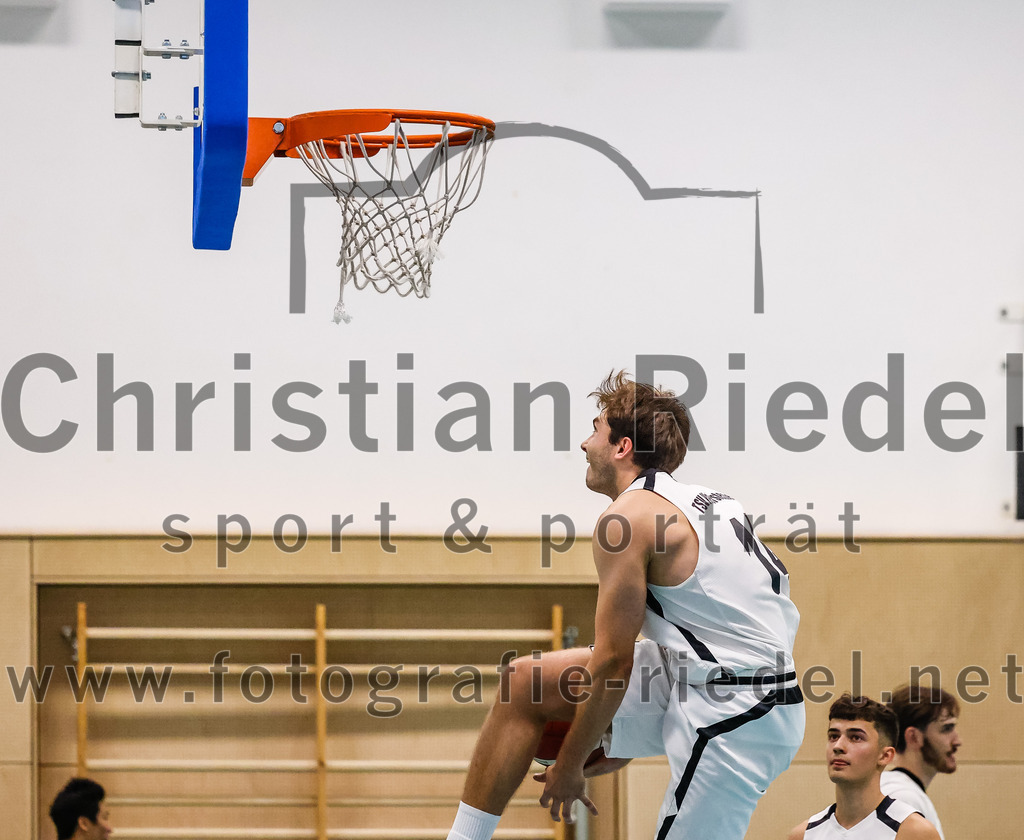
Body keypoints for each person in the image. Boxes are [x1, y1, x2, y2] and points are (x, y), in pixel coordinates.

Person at [446, 371, 804, 840]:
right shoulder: (713, 500)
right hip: (703, 674)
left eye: (595, 430)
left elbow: (615, 659)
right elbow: (705, 626)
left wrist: (572, 763)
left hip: (742, 707)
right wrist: (621, 730)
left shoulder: (626, 520)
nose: (583, 444)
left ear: (622, 447)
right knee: (525, 684)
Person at [787, 694, 940, 840]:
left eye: (855, 737)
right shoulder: (803, 835)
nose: (838, 746)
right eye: (833, 736)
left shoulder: (915, 832)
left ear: (885, 756)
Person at [880, 685, 962, 840]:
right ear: (914, 737)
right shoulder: (902, 798)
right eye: (946, 728)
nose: (957, 741)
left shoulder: (901, 792)